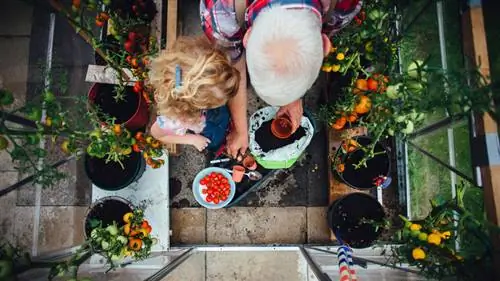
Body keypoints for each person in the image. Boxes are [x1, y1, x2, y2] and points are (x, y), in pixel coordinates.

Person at [200, 0, 362, 159]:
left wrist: (293, 97)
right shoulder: (221, 12)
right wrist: (241, 130)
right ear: (326, 46)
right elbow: (234, 66)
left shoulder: (345, 4)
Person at [148, 36, 240, 152]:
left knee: (224, 118)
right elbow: (158, 135)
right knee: (215, 141)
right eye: (218, 101)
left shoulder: (208, 84)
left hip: (211, 115)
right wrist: (192, 139)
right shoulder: (173, 120)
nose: (227, 101)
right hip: (204, 129)